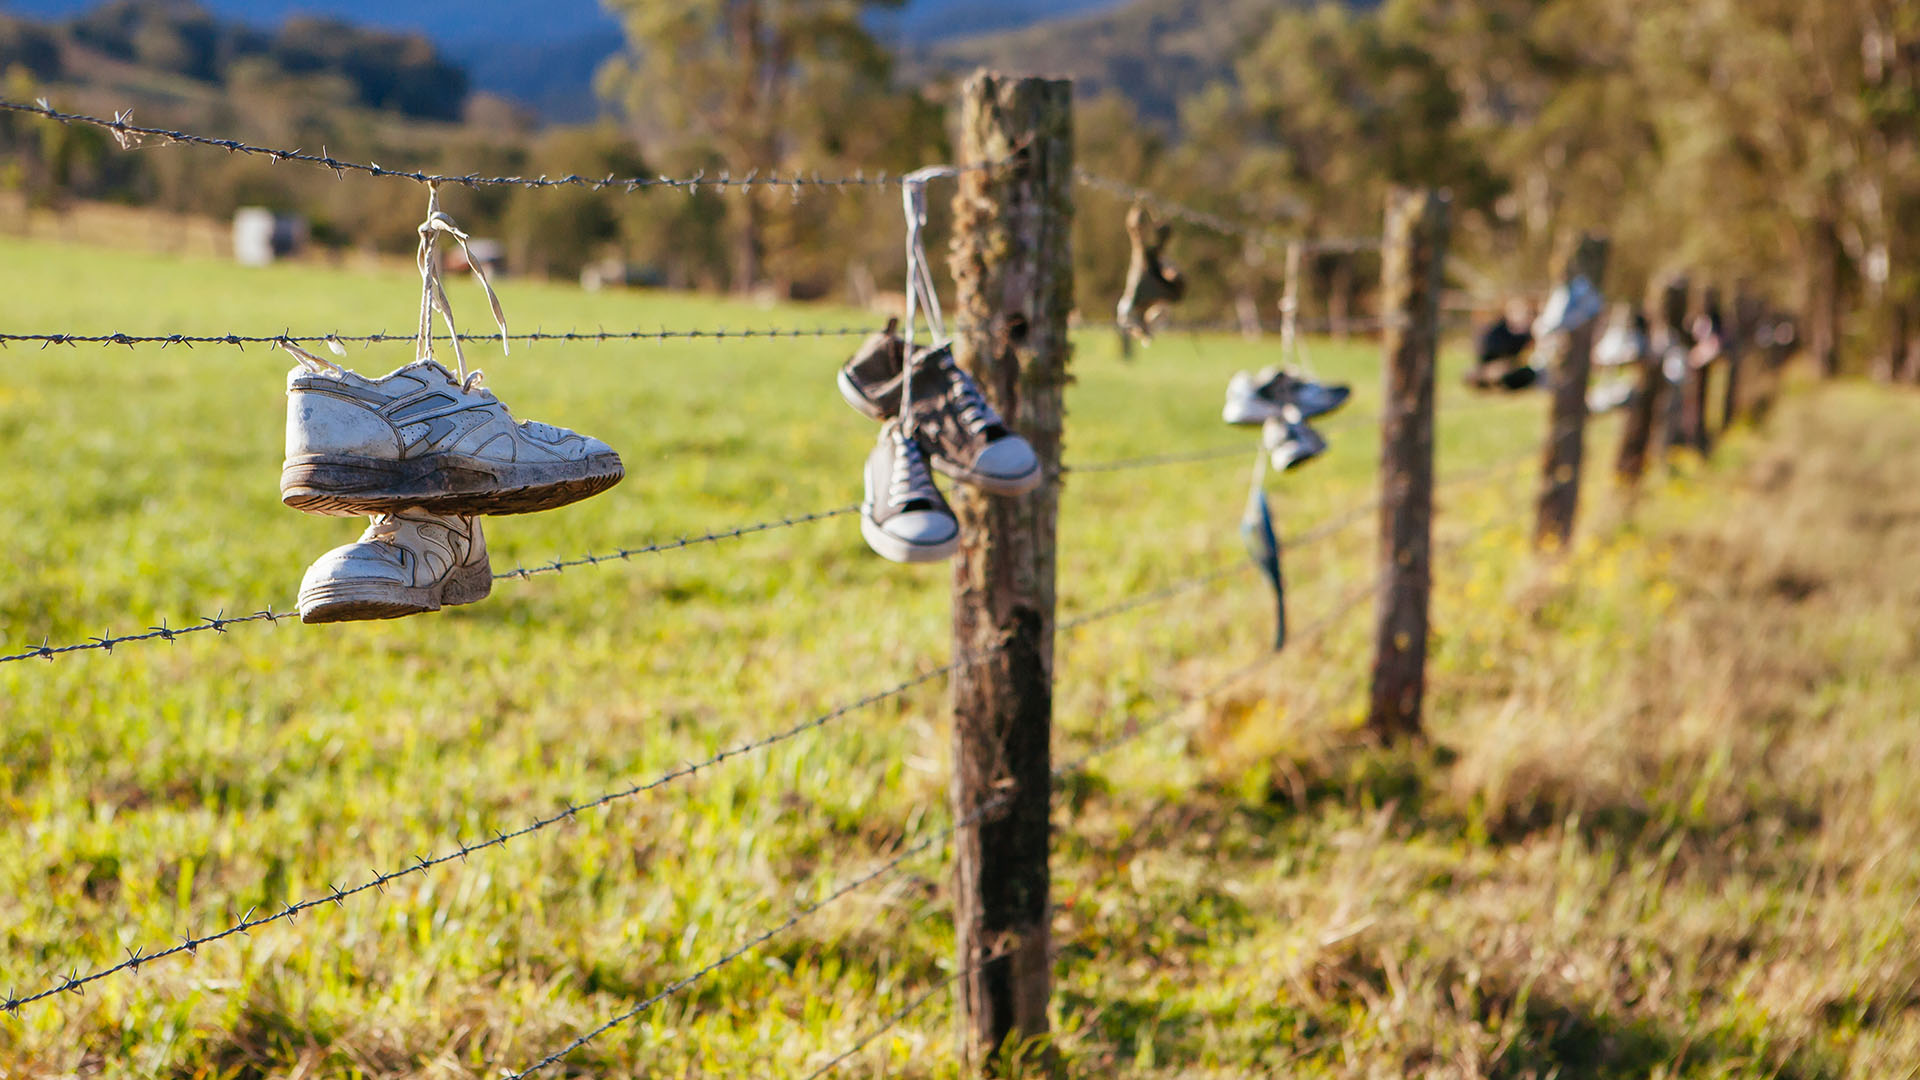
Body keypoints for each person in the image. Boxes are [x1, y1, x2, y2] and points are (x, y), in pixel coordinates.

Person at [1468, 298, 1540, 390]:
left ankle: (1495, 382)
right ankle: (1490, 381)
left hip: (1512, 369)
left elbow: (1527, 359)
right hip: (1492, 367)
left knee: (1529, 374)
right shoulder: (1497, 330)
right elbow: (1488, 354)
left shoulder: (1527, 335)